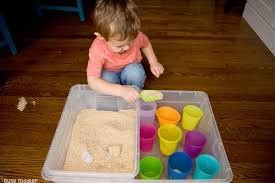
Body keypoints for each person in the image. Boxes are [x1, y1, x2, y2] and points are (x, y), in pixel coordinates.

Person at [87, 0, 164, 102]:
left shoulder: (134, 35)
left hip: (130, 67)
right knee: (105, 79)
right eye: (120, 46)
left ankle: (134, 94)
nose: (127, 47)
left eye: (130, 42)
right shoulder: (97, 49)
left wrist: (154, 62)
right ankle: (119, 95)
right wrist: (120, 91)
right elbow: (92, 81)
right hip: (110, 72)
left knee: (135, 72)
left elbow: (146, 43)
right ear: (101, 37)